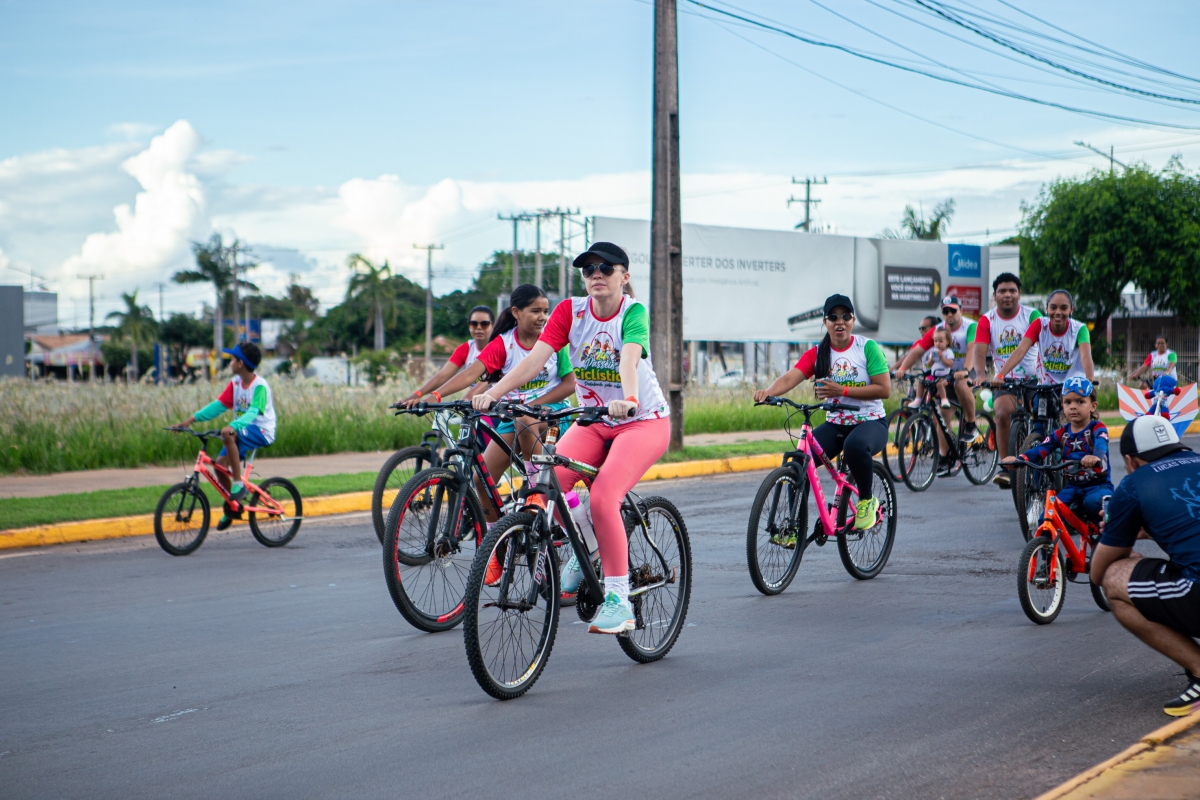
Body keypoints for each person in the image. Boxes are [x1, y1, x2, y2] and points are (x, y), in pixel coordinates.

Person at [473, 242, 670, 635]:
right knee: (546, 485)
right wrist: (493, 393)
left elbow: (629, 358)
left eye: (606, 268)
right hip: (593, 420)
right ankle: (588, 545)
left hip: (641, 421)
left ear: (624, 277)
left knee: (603, 496)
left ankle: (618, 600)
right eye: (588, 269)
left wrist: (630, 399)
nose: (596, 274)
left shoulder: (632, 312)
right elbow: (535, 361)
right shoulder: (570, 311)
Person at [435, 285, 575, 522]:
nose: (542, 317)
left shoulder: (554, 340)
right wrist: (434, 396)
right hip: (516, 418)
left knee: (525, 419)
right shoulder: (504, 343)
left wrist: (534, 404)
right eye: (535, 311)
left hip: (552, 414)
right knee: (482, 481)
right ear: (516, 312)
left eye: (545, 311)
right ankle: (498, 538)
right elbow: (470, 374)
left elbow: (570, 383)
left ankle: (535, 493)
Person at [1091, 415, 1200, 717]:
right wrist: (1151, 529)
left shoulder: (1133, 485)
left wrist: (1125, 541)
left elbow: (1098, 573)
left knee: (1115, 578)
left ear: (1131, 460)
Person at [754, 293, 892, 531]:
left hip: (871, 423)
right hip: (836, 424)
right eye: (833, 317)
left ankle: (867, 501)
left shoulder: (866, 348)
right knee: (799, 463)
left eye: (845, 316)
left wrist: (842, 390)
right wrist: (768, 392)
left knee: (854, 446)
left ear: (853, 320)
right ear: (825, 322)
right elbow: (791, 377)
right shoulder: (819, 353)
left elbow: (884, 389)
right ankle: (794, 529)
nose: (840, 322)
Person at [174, 343, 275, 532]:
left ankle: (238, 484)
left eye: (233, 359)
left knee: (229, 434)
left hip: (261, 430)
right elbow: (218, 406)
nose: (230, 362)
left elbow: (253, 413)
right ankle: (233, 506)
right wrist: (191, 420)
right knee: (219, 466)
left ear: (240, 364)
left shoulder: (260, 386)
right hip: (242, 429)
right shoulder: (235, 384)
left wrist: (234, 426)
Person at [1001, 377, 1112, 523]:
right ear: (1062, 405)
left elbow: (1101, 444)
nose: (1073, 407)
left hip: (1097, 485)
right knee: (1047, 518)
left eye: (1080, 402)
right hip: (1072, 486)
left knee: (1094, 504)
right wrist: (1021, 459)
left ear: (1093, 406)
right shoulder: (1061, 433)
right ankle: (1047, 537)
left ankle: (1107, 535)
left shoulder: (1097, 428)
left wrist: (1095, 457)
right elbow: (1042, 449)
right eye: (1068, 402)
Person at [970, 272, 1042, 487]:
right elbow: (980, 351)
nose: (1007, 295)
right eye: (1002, 291)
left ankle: (1047, 458)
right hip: (1004, 381)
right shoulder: (987, 320)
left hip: (1035, 379)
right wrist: (980, 374)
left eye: (1012, 290)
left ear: (1019, 294)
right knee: (1001, 414)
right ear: (995, 296)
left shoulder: (1032, 315)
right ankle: (1007, 467)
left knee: (1044, 416)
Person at [896, 296, 977, 443]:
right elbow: (917, 351)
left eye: (953, 310)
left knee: (960, 384)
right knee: (942, 417)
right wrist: (902, 368)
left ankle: (971, 424)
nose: (949, 314)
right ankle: (944, 455)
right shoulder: (937, 330)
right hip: (947, 374)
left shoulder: (970, 326)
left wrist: (965, 370)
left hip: (968, 369)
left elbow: (972, 349)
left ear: (961, 310)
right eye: (946, 311)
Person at [993, 288, 1094, 386]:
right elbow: (1020, 351)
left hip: (1072, 386)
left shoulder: (1080, 329)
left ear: (1071, 309)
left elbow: (1085, 355)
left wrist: (1089, 378)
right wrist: (1001, 375)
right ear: (1046, 309)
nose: (1058, 312)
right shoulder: (1039, 325)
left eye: (1063, 308)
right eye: (1053, 308)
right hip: (1044, 387)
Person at [399, 305, 494, 405]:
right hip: (475, 406)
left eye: (484, 324)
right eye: (473, 324)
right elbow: (442, 376)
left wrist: (434, 398)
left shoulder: (498, 348)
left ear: (493, 326)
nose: (478, 328)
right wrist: (415, 395)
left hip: (495, 405)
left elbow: (483, 380)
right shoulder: (466, 348)